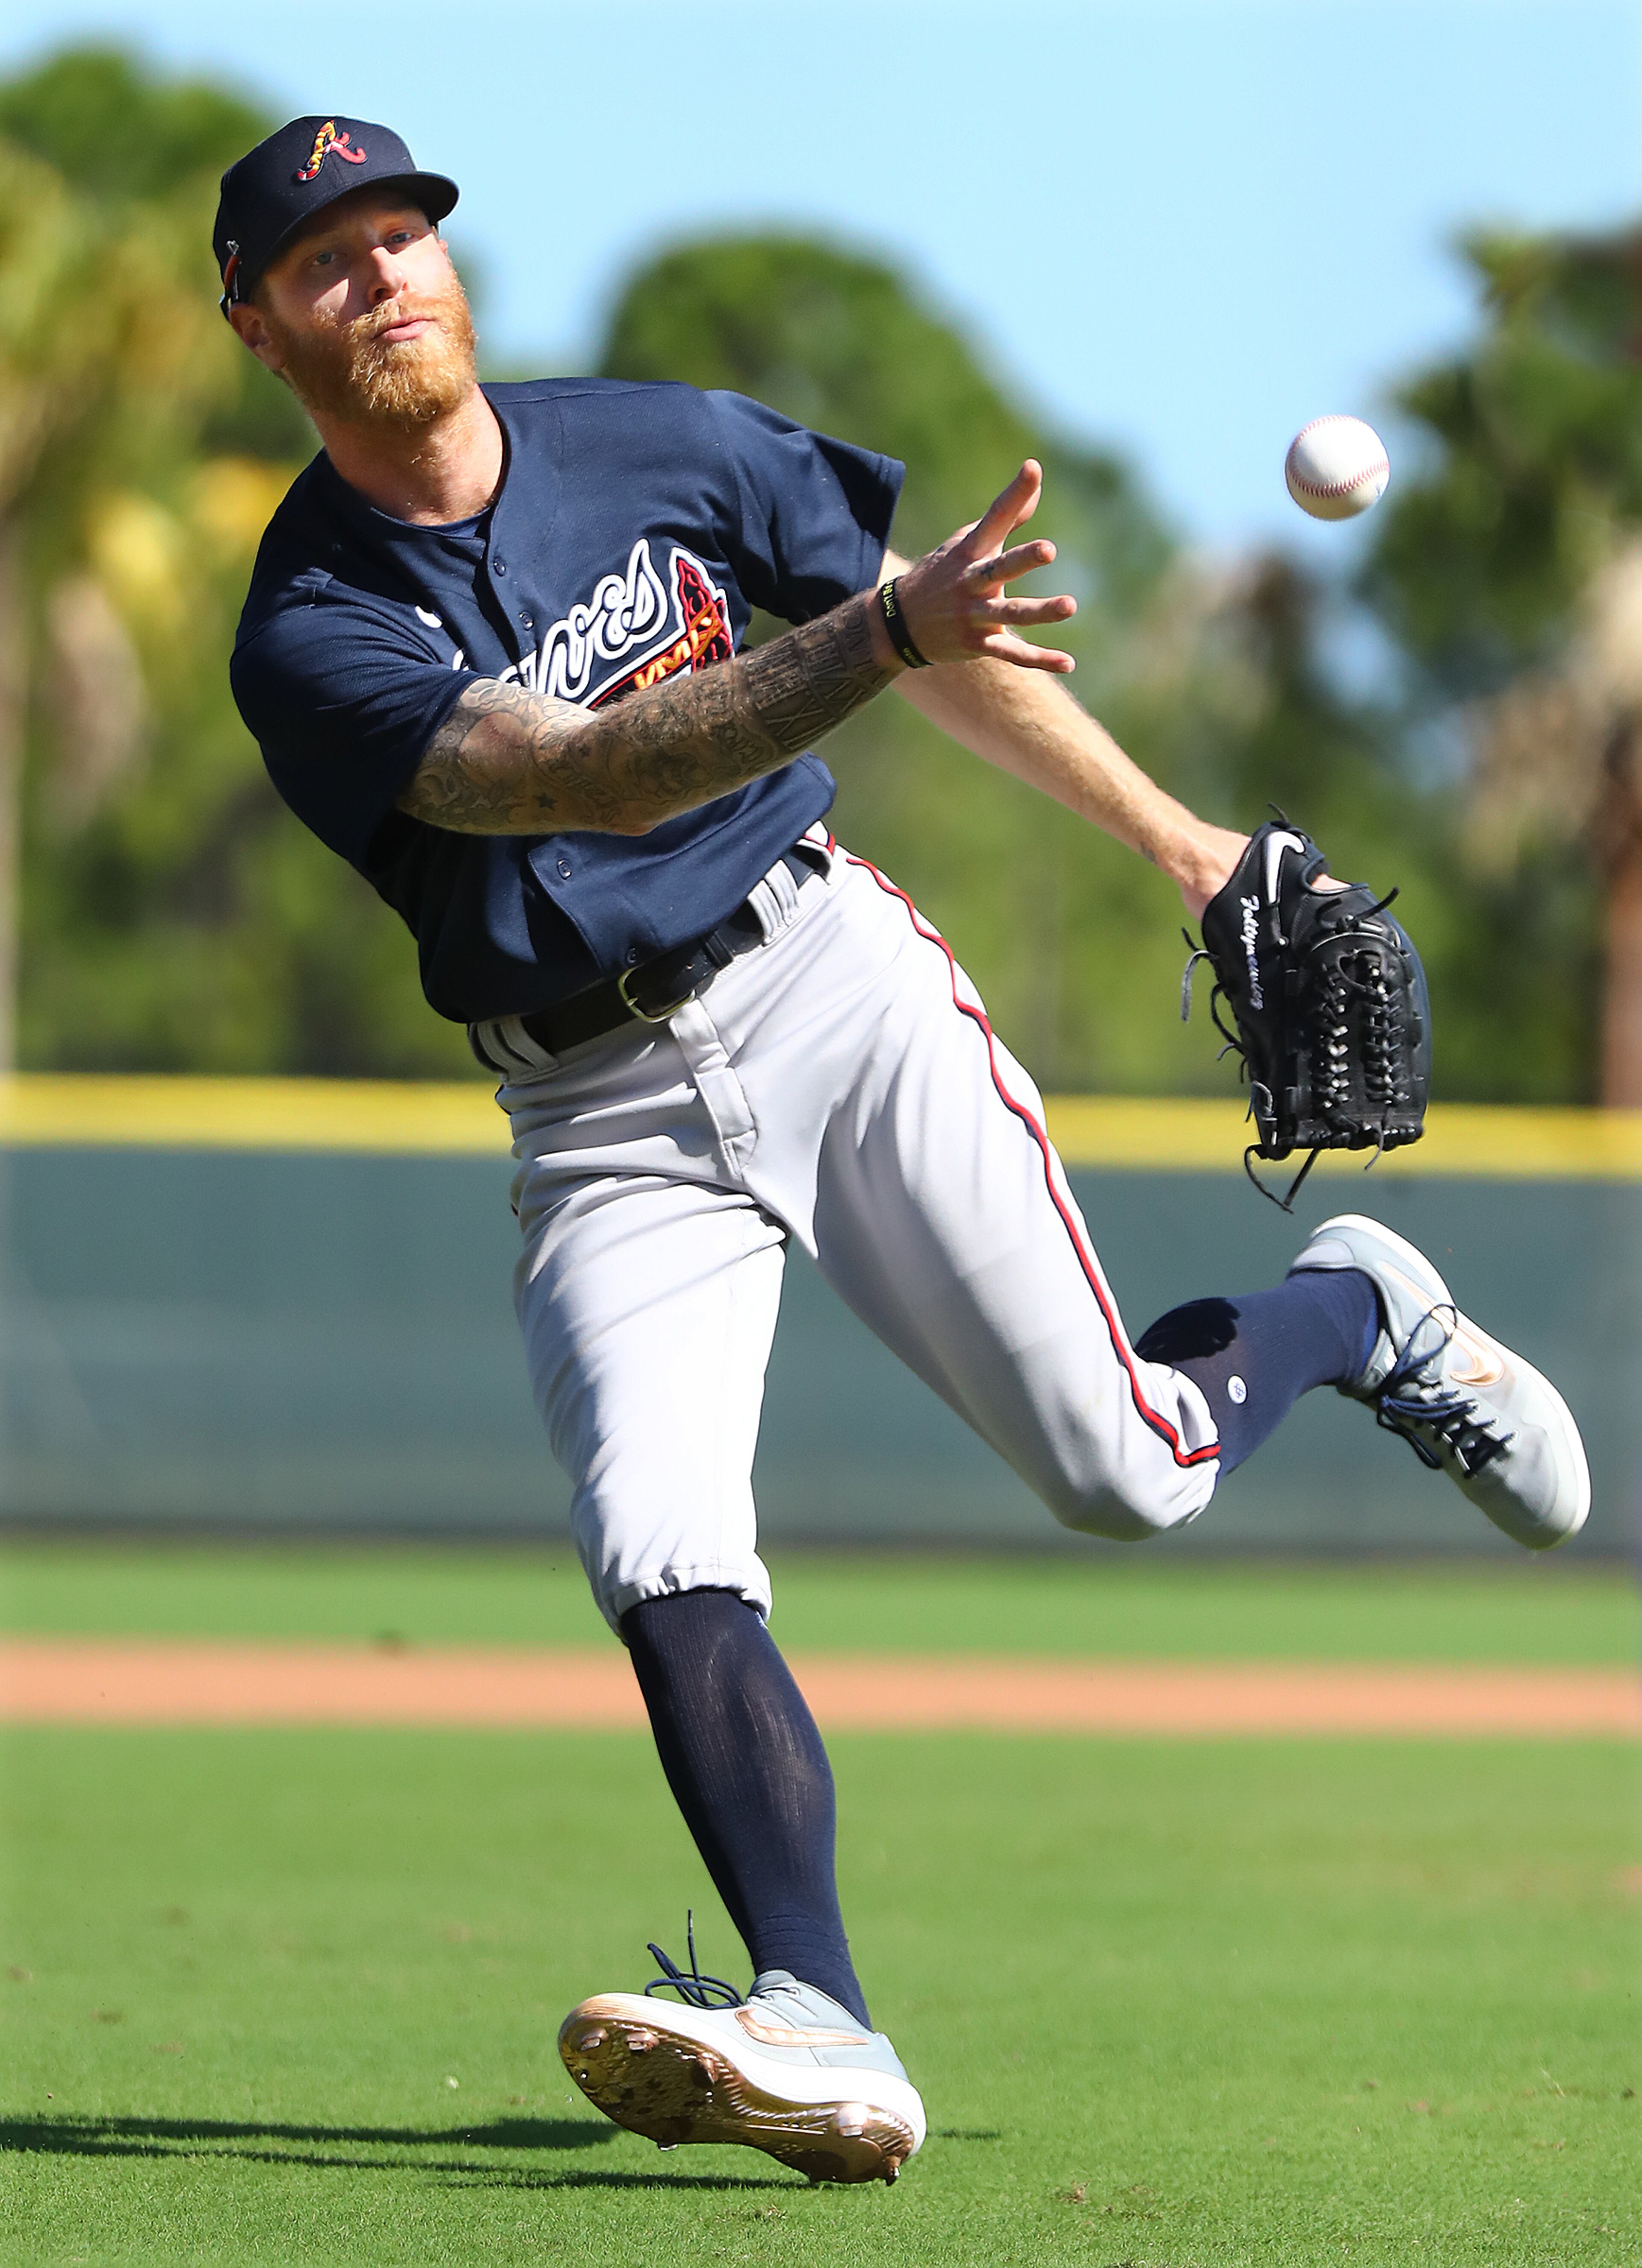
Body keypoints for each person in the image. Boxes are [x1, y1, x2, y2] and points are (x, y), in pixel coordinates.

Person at [216, 116, 1590, 2188]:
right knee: (658, 1543)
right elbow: (571, 778)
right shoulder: (308, 620)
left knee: (1128, 1475)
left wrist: (1189, 848)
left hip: (828, 987)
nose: (384, 274)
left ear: (451, 266)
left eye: (404, 232)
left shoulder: (662, 443)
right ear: (261, 327)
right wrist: (878, 638)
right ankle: (822, 2018)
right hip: (594, 1106)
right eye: (327, 259)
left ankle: (1355, 1309)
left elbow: (942, 652)